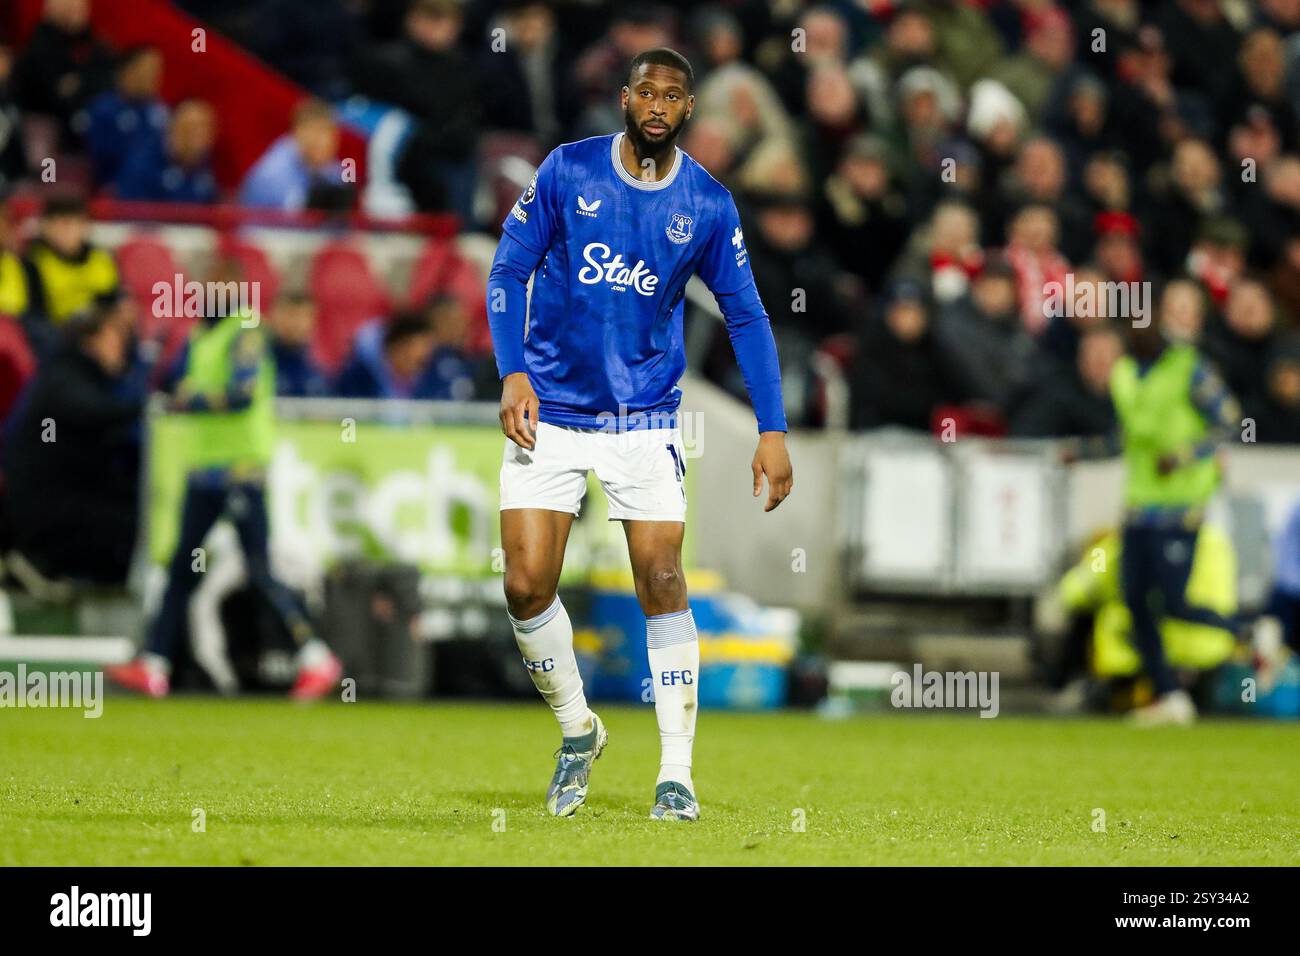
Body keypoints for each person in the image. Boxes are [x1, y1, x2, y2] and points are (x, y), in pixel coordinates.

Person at [485, 48, 792, 822]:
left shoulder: (709, 204)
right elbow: (507, 270)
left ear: (688, 111)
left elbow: (748, 316)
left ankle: (676, 776)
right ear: (624, 99)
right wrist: (511, 369)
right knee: (526, 587)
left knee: (661, 578)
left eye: (672, 96)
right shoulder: (567, 171)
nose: (657, 105)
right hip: (548, 412)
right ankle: (578, 731)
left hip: (643, 420)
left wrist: (773, 428)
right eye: (645, 92)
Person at [106, 297, 341, 699]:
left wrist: (188, 401)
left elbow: (243, 394)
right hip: (205, 470)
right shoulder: (201, 335)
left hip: (240, 469)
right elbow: (169, 382)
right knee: (182, 566)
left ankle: (315, 656)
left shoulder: (245, 331)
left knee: (258, 568)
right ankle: (155, 664)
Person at [1069, 318, 1245, 726]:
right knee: (1135, 602)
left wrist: (1184, 456)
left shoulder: (1189, 366)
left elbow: (1232, 423)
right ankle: (1169, 695)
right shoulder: (1125, 373)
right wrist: (1080, 451)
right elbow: (1124, 439)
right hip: (1138, 506)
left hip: (1180, 505)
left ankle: (1248, 634)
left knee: (1173, 600)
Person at [2, 306, 141, 585]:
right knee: (124, 525)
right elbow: (89, 411)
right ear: (90, 341)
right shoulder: (66, 375)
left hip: (65, 498)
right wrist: (146, 409)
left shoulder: (84, 378)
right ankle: (43, 565)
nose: (123, 348)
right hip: (45, 509)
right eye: (114, 338)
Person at [239, 99, 344, 211]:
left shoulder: (331, 168)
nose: (324, 142)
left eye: (330, 133)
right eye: (317, 132)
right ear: (297, 132)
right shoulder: (273, 175)